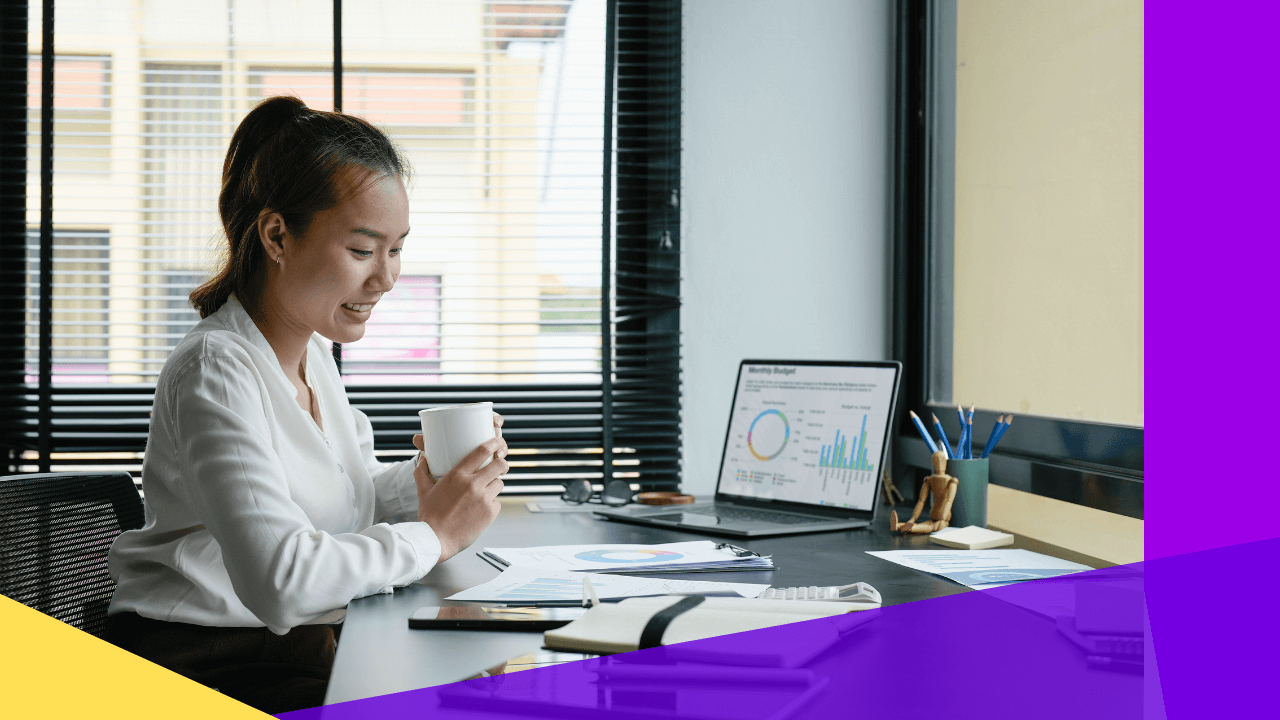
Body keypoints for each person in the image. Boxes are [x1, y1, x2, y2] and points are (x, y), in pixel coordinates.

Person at [104, 96, 509, 714]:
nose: (387, 278)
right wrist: (434, 534)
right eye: (362, 249)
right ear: (276, 235)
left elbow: (347, 499)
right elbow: (283, 581)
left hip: (287, 645)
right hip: (205, 662)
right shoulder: (216, 368)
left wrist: (442, 479)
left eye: (396, 249)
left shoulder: (309, 355)